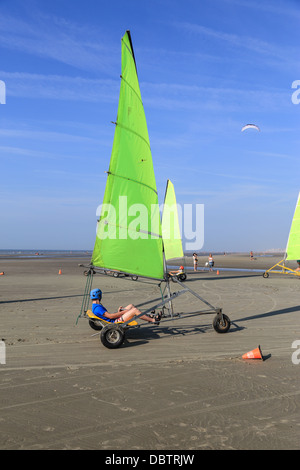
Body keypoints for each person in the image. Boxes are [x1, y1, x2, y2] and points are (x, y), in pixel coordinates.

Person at [90, 288, 162, 324]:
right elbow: (111, 317)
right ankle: (153, 320)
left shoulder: (95, 306)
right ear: (99, 296)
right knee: (134, 311)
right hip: (115, 322)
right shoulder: (98, 308)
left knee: (131, 306)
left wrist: (119, 312)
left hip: (114, 319)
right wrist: (123, 312)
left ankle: (148, 316)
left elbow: (108, 316)